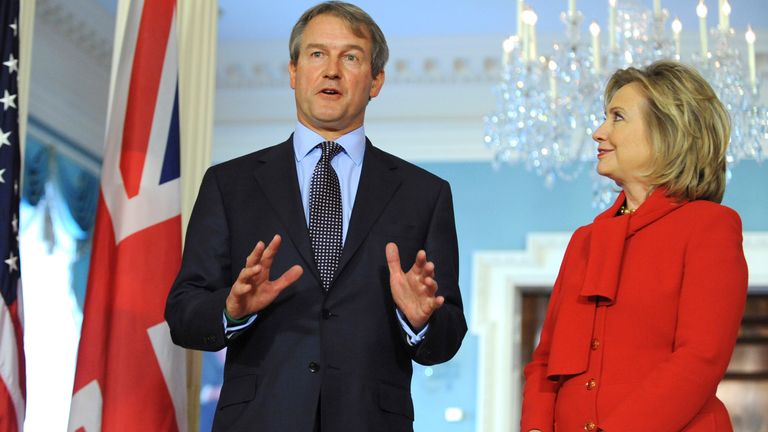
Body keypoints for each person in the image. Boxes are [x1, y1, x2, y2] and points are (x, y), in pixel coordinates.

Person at [165, 2, 467, 432]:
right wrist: (232, 310)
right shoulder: (229, 184)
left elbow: (448, 333)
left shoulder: (426, 195)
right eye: (316, 54)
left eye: (350, 57)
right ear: (293, 72)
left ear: (376, 80)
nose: (331, 71)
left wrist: (419, 321)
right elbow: (182, 314)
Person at [521, 60, 748, 432]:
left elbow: (700, 359)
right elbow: (545, 363)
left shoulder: (711, 226)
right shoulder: (585, 240)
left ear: (668, 131)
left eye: (617, 117)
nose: (598, 132)